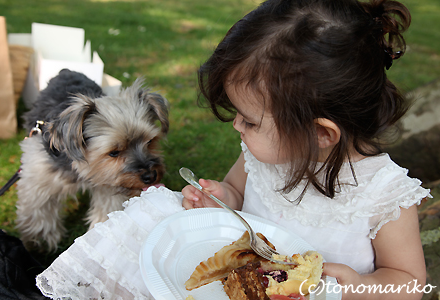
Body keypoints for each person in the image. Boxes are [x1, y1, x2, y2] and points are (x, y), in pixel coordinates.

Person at [181, 0, 430, 299]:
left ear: (320, 133)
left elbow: (410, 283)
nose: (236, 125)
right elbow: (237, 191)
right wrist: (223, 199)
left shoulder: (384, 195)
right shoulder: (264, 156)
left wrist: (358, 287)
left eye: (249, 121)